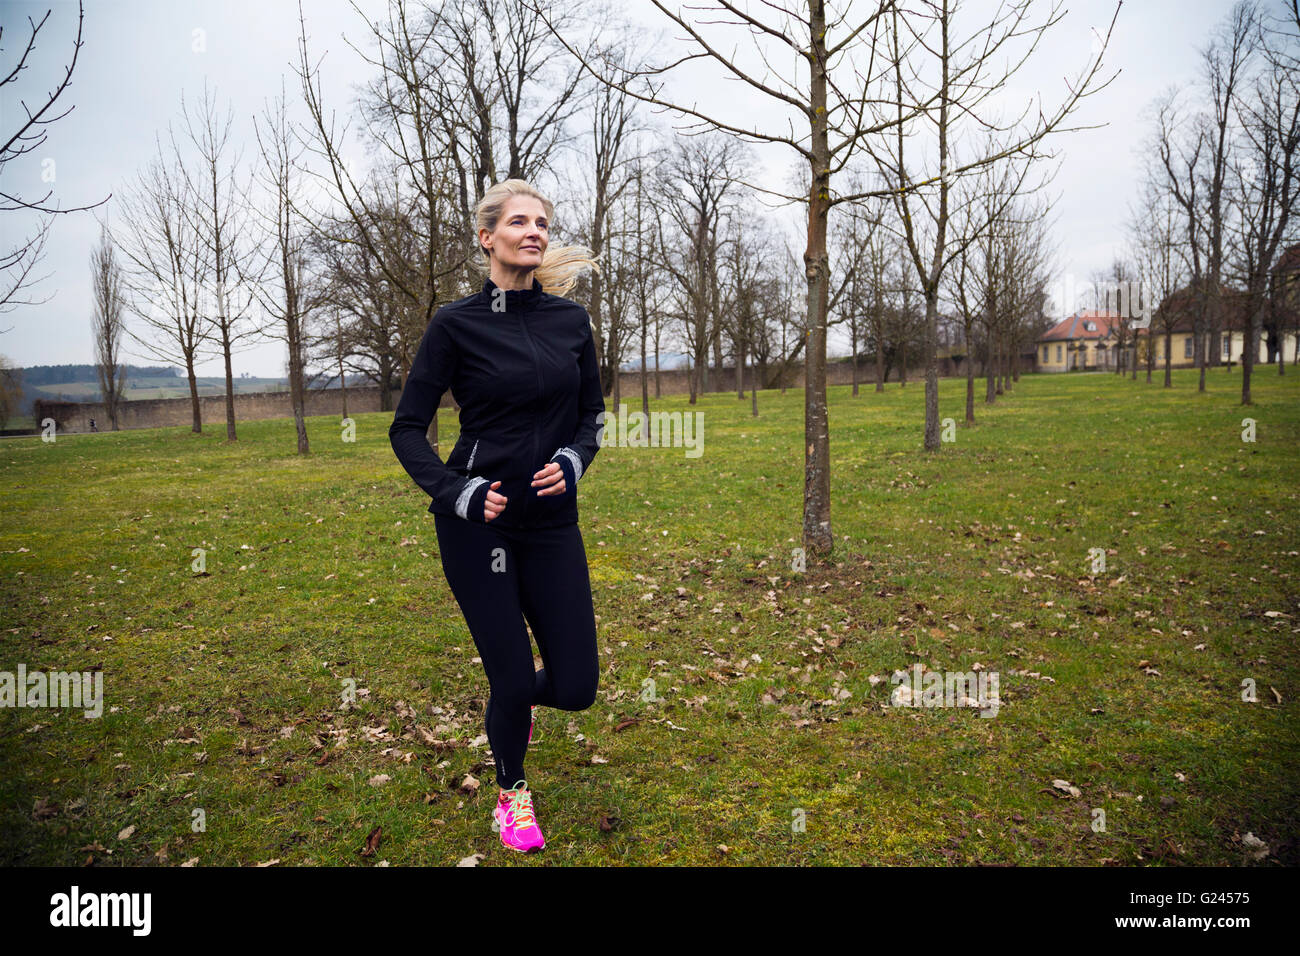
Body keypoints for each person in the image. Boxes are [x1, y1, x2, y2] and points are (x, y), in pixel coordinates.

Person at [389, 179, 604, 854]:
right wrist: (458, 492)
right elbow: (406, 429)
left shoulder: (570, 323)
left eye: (542, 222)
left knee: (575, 687)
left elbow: (591, 415)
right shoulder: (456, 325)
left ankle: (513, 707)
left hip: (551, 526)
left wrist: (573, 459)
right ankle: (511, 793)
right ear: (487, 238)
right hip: (478, 527)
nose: (535, 231)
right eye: (518, 222)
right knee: (509, 675)